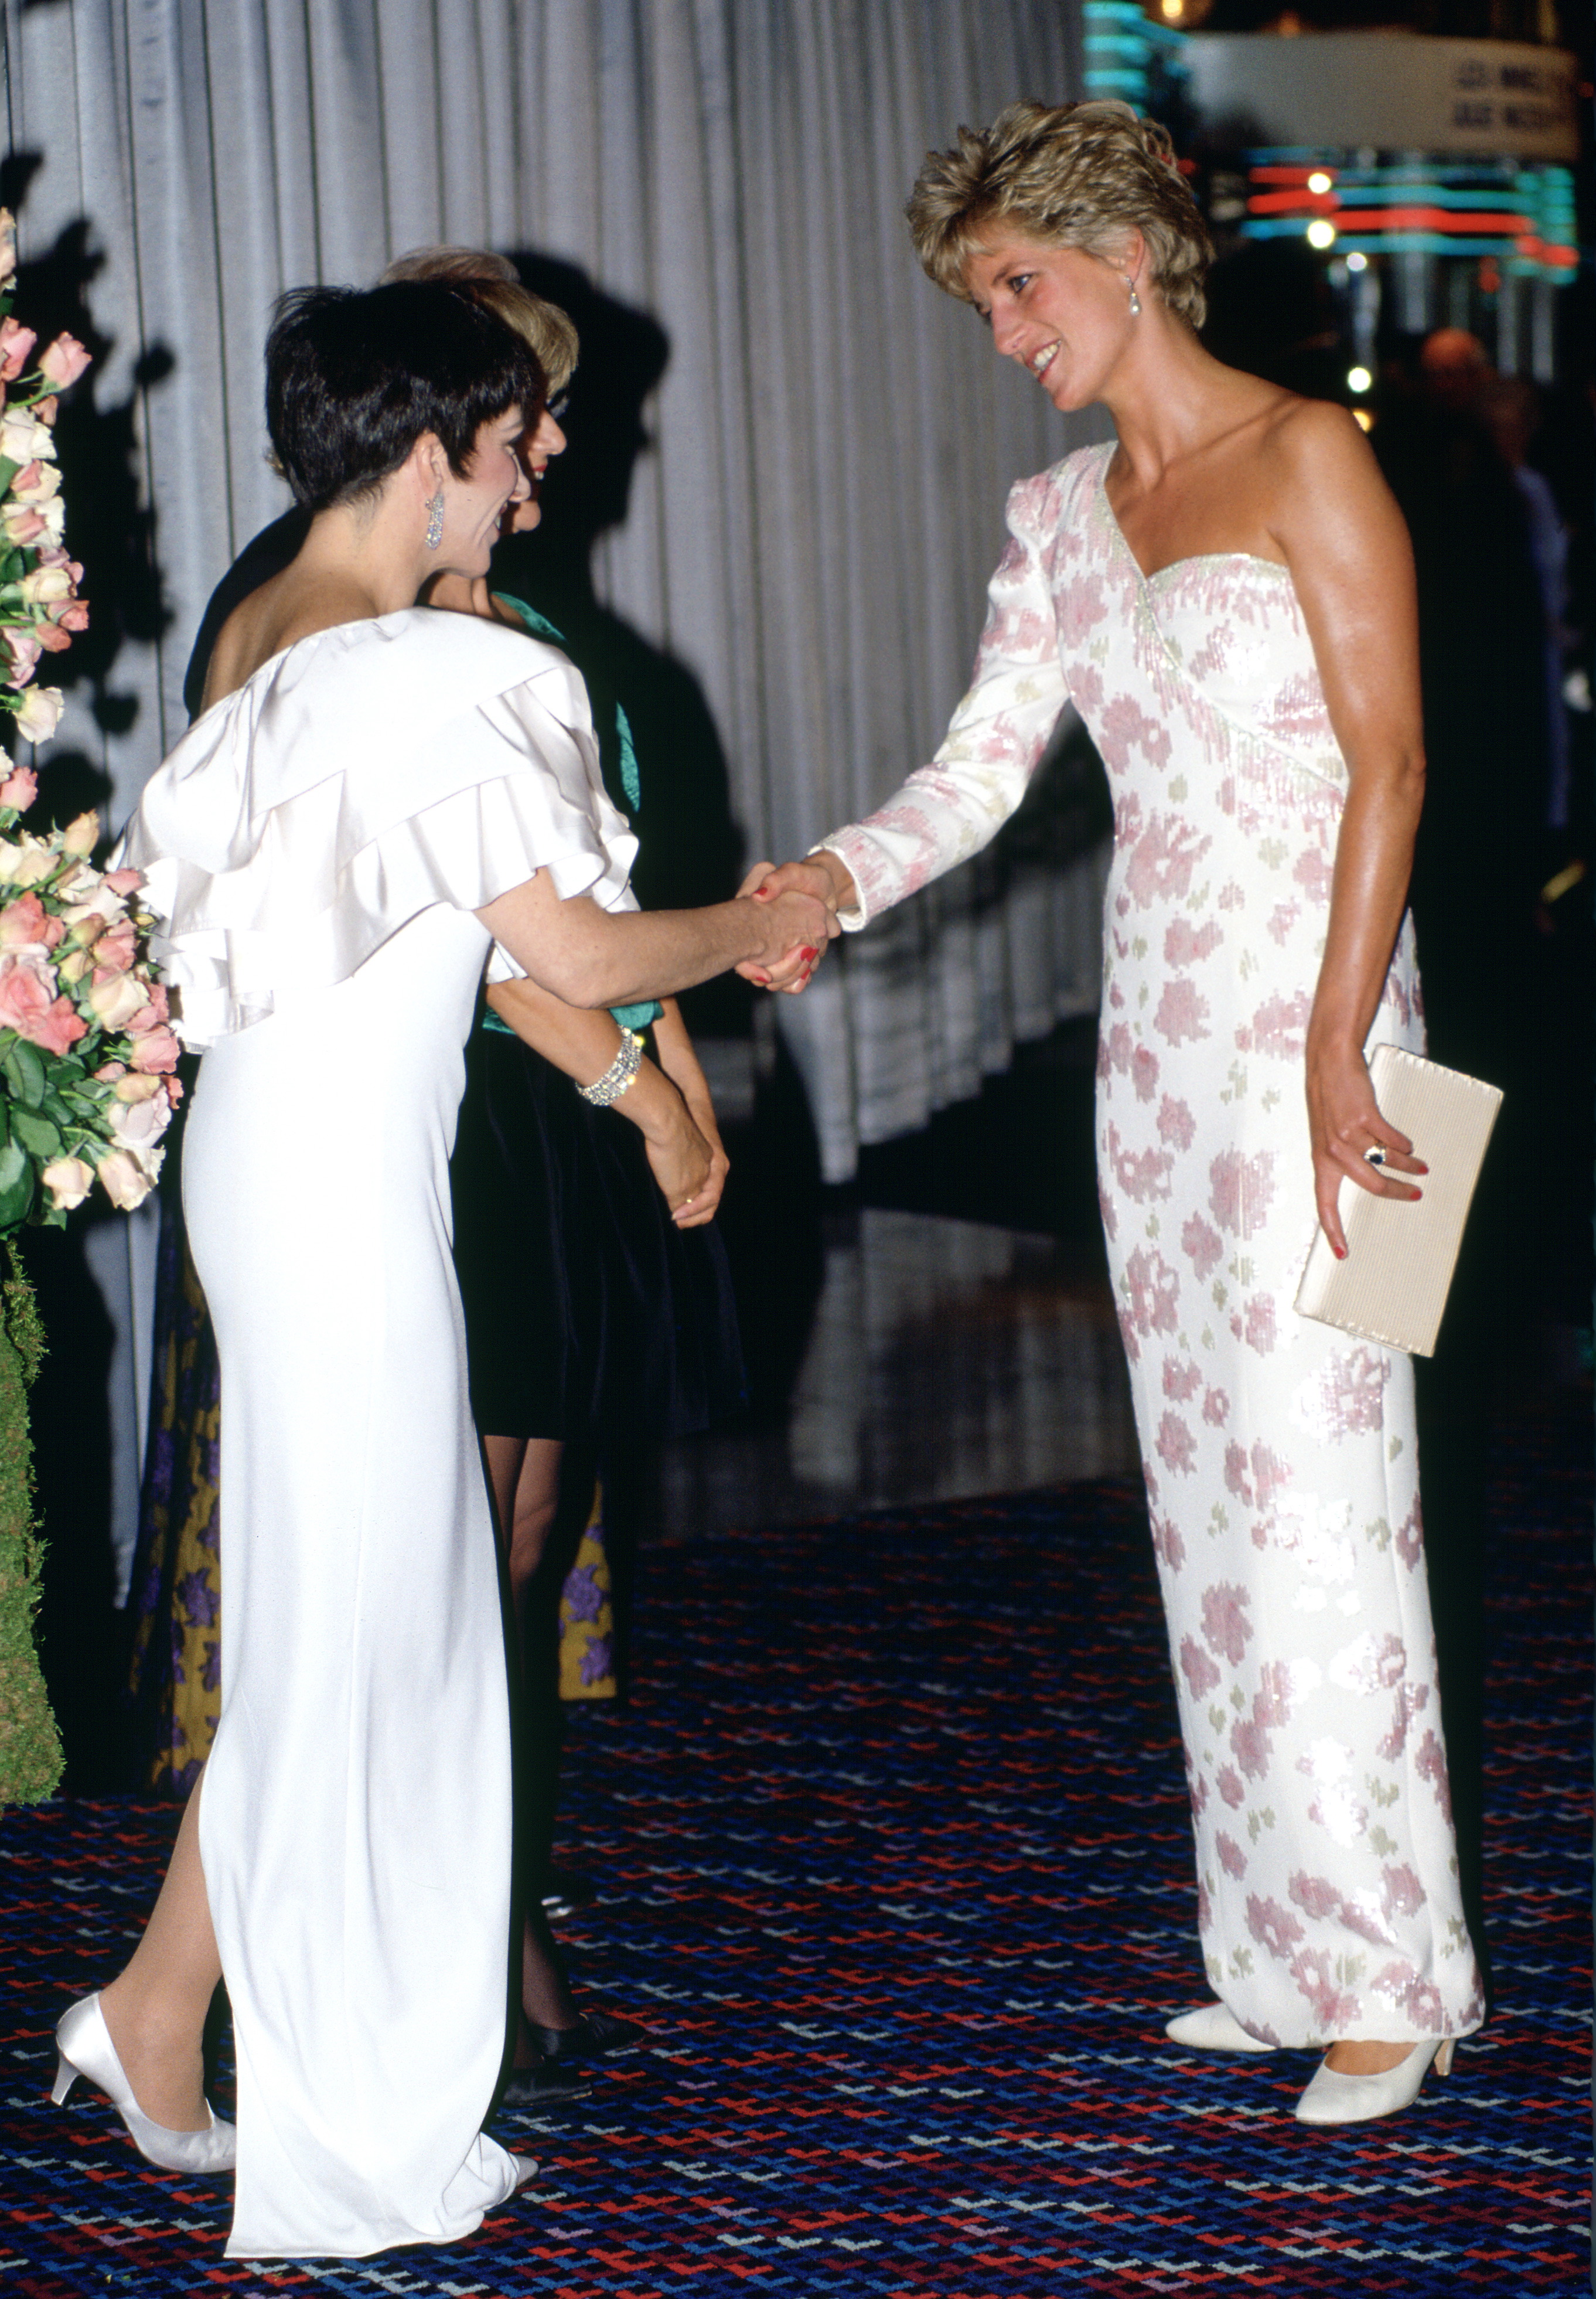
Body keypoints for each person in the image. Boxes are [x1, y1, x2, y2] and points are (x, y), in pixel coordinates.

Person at [53, 278, 830, 2260]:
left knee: (346, 1623)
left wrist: (636, 1098)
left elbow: (455, 937)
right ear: (431, 458)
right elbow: (568, 945)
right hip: (338, 1191)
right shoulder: (425, 668)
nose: (543, 462)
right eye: (518, 439)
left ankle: (154, 2017)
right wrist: (756, 918)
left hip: (273, 1162)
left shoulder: (287, 635)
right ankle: (354, 2127)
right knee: (388, 1636)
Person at [745, 100, 1484, 2125]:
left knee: (1330, 1493)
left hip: (1342, 1036)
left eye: (1014, 286)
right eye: (982, 300)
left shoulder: (1310, 455)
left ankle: (1390, 1966)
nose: (1000, 329)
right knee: (1204, 1495)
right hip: (1154, 1054)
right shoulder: (1058, 514)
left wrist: (1336, 1046)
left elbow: (1393, 766)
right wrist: (824, 881)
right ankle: (1269, 1944)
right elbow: (977, 774)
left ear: (1122, 257)